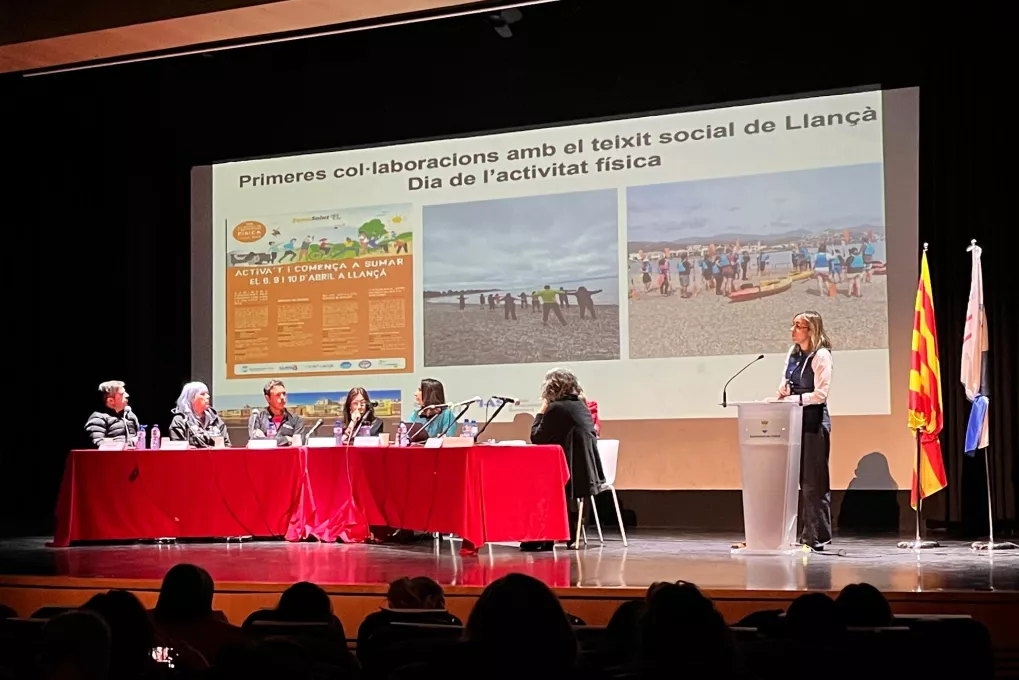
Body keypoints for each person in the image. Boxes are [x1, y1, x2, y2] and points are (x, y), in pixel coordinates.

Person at [525, 368, 606, 551]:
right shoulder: (579, 405)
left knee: (532, 482)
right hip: (584, 471)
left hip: (569, 475)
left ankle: (541, 536)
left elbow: (537, 437)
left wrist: (541, 411)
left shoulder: (557, 408)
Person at [777, 310, 833, 551]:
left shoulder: (821, 356)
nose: (793, 330)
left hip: (813, 422)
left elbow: (820, 394)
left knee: (813, 483)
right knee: (797, 481)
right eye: (793, 325)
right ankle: (798, 536)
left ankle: (816, 537)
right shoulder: (793, 353)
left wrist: (795, 400)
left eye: (798, 326)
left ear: (811, 330)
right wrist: (780, 395)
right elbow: (785, 384)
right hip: (794, 419)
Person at [169, 381, 231, 448]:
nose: (208, 396)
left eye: (207, 393)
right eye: (202, 394)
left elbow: (226, 444)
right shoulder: (180, 420)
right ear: (191, 398)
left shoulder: (215, 419)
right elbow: (178, 448)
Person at [248, 379, 305, 445]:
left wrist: (264, 439)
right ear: (268, 398)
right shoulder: (257, 418)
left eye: (284, 394)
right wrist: (287, 439)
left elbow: (298, 445)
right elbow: (255, 442)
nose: (282, 397)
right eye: (278, 395)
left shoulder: (296, 420)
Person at [84, 380, 140, 447]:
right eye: (122, 394)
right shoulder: (98, 418)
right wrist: (130, 444)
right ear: (111, 400)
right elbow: (98, 444)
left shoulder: (129, 415)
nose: (127, 395)